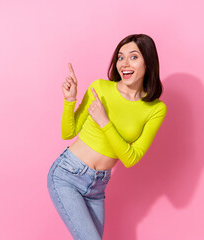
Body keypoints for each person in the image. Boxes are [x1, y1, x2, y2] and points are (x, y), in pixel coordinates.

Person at [47, 33, 167, 240]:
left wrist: (105, 122)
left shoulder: (156, 109)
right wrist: (70, 100)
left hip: (98, 186)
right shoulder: (100, 88)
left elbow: (131, 158)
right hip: (67, 174)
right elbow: (68, 132)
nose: (124, 64)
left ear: (149, 62)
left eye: (133, 57)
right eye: (120, 57)